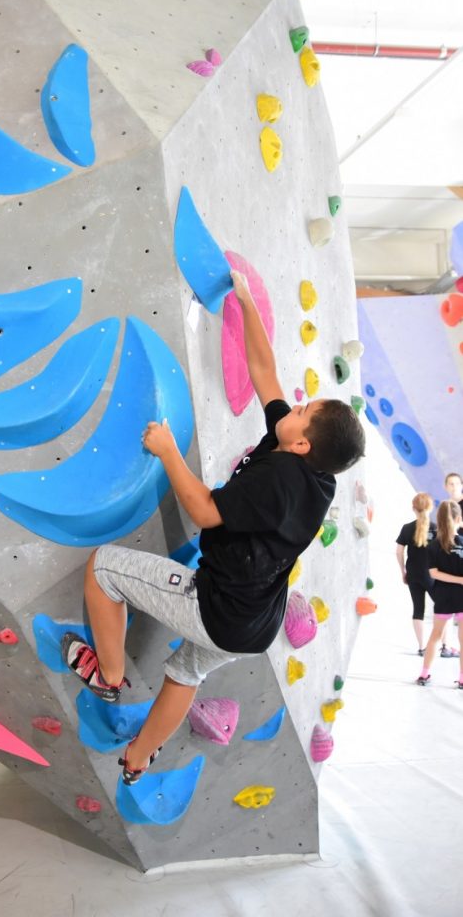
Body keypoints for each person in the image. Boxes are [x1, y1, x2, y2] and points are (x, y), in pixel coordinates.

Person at [61, 271, 366, 784]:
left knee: (104, 567)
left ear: (304, 445)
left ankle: (109, 678)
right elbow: (265, 371)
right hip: (255, 624)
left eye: (305, 409)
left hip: (218, 608)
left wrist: (167, 451)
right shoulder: (312, 472)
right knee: (185, 671)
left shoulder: (281, 480)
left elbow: (204, 510)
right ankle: (136, 761)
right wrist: (246, 302)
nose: (296, 405)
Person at [416, 500, 463, 687]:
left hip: (442, 596)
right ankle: (461, 678)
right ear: (459, 518)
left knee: (436, 635)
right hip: (461, 595)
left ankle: (424, 674)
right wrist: (460, 580)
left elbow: (433, 573)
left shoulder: (434, 545)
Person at [396, 494, 436, 655]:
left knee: (418, 610)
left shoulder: (407, 528)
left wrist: (403, 571)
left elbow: (399, 551)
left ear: (413, 508)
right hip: (433, 576)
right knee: (442, 609)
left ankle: (422, 647)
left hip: (413, 574)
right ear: (430, 508)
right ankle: (445, 645)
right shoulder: (436, 528)